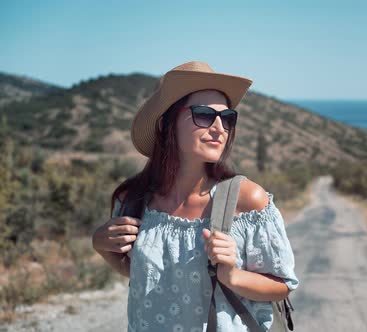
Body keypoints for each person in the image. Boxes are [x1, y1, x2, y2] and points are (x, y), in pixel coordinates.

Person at [91, 61, 299, 332]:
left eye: (227, 118)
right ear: (166, 123)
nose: (219, 128)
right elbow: (147, 276)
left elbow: (282, 285)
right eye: (204, 115)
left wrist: (233, 276)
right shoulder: (134, 199)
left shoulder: (247, 200)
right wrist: (101, 246)